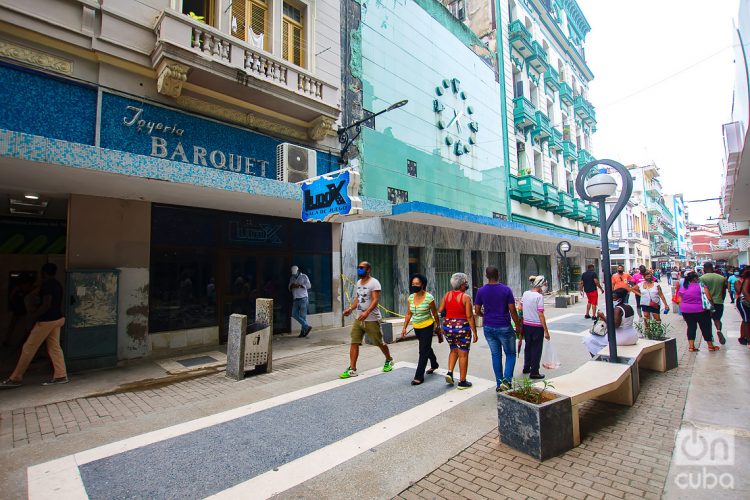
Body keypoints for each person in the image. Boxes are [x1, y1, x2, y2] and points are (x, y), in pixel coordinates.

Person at [1, 263, 68, 388]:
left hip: (46, 321)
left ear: (44, 273)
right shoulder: (57, 284)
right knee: (54, 347)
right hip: (58, 318)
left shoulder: (47, 285)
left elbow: (46, 304)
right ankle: (61, 375)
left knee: (28, 348)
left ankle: (16, 378)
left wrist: (33, 316)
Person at [340, 262, 394, 378]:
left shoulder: (374, 283)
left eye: (362, 268)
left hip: (372, 319)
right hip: (359, 318)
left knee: (379, 342)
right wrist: (350, 309)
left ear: (368, 269)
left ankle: (389, 359)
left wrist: (367, 312)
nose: (359, 269)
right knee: (354, 342)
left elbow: (375, 300)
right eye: (358, 267)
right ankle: (352, 369)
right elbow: (358, 299)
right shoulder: (359, 282)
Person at [474, 266, 520, 392]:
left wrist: (485, 316)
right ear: (498, 274)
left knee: (496, 355)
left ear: (486, 276)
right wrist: (518, 325)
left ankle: (499, 383)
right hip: (504, 326)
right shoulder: (506, 290)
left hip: (488, 327)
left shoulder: (481, 291)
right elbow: (512, 310)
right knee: (510, 354)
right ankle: (507, 380)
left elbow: (477, 311)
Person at [438, 273, 477, 389]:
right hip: (462, 327)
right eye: (465, 282)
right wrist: (474, 332)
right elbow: (469, 316)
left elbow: (440, 310)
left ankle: (450, 372)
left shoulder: (447, 295)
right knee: (463, 353)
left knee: (453, 349)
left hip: (448, 327)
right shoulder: (466, 297)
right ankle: (462, 381)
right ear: (461, 284)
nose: (466, 284)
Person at [401, 273, 441, 385]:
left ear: (422, 284)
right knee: (426, 347)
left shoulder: (429, 298)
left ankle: (419, 376)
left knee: (423, 351)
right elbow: (408, 314)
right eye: (413, 284)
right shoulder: (410, 297)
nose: (414, 286)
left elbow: (434, 313)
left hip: (427, 326)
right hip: (416, 327)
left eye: (417, 284)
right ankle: (434, 364)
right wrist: (404, 327)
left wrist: (438, 326)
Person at [582, 288, 639, 356]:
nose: (611, 300)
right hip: (633, 335)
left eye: (613, 298)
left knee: (588, 339)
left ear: (619, 299)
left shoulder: (618, 309)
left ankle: (597, 358)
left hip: (621, 337)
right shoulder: (628, 306)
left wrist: (603, 317)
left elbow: (615, 325)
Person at [676, 271, 719, 352]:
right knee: (705, 327)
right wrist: (712, 307)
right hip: (701, 310)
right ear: (696, 278)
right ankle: (710, 346)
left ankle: (691, 347)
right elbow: (709, 298)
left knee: (691, 327)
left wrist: (684, 308)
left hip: (686, 311)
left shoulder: (684, 288)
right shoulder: (702, 286)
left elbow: (679, 301)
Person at [520, 276, 550, 380]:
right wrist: (546, 331)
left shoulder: (525, 293)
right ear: (540, 284)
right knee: (536, 349)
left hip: (526, 325)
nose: (545, 287)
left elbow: (520, 307)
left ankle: (526, 367)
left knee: (528, 347)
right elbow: (541, 314)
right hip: (537, 327)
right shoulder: (539, 297)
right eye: (544, 284)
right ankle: (534, 372)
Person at [700, 262, 727, 345]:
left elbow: (701, 291)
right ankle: (718, 330)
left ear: (704, 268)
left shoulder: (701, 278)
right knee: (717, 319)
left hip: (706, 303)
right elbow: (724, 291)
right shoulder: (721, 278)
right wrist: (722, 299)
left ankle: (710, 336)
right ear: (713, 268)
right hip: (718, 302)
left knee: (707, 321)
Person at [289, 265, 313, 337]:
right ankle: (306, 326)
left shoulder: (304, 276)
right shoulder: (292, 278)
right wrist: (292, 286)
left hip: (303, 298)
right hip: (296, 299)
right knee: (294, 314)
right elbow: (289, 287)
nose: (295, 274)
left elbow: (309, 286)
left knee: (303, 316)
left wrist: (300, 285)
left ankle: (303, 332)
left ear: (298, 271)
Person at [736, 268, 750, 346]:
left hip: (746, 301)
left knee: (746, 320)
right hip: (743, 302)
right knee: (746, 320)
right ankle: (747, 339)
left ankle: (743, 337)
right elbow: (744, 292)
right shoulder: (748, 279)